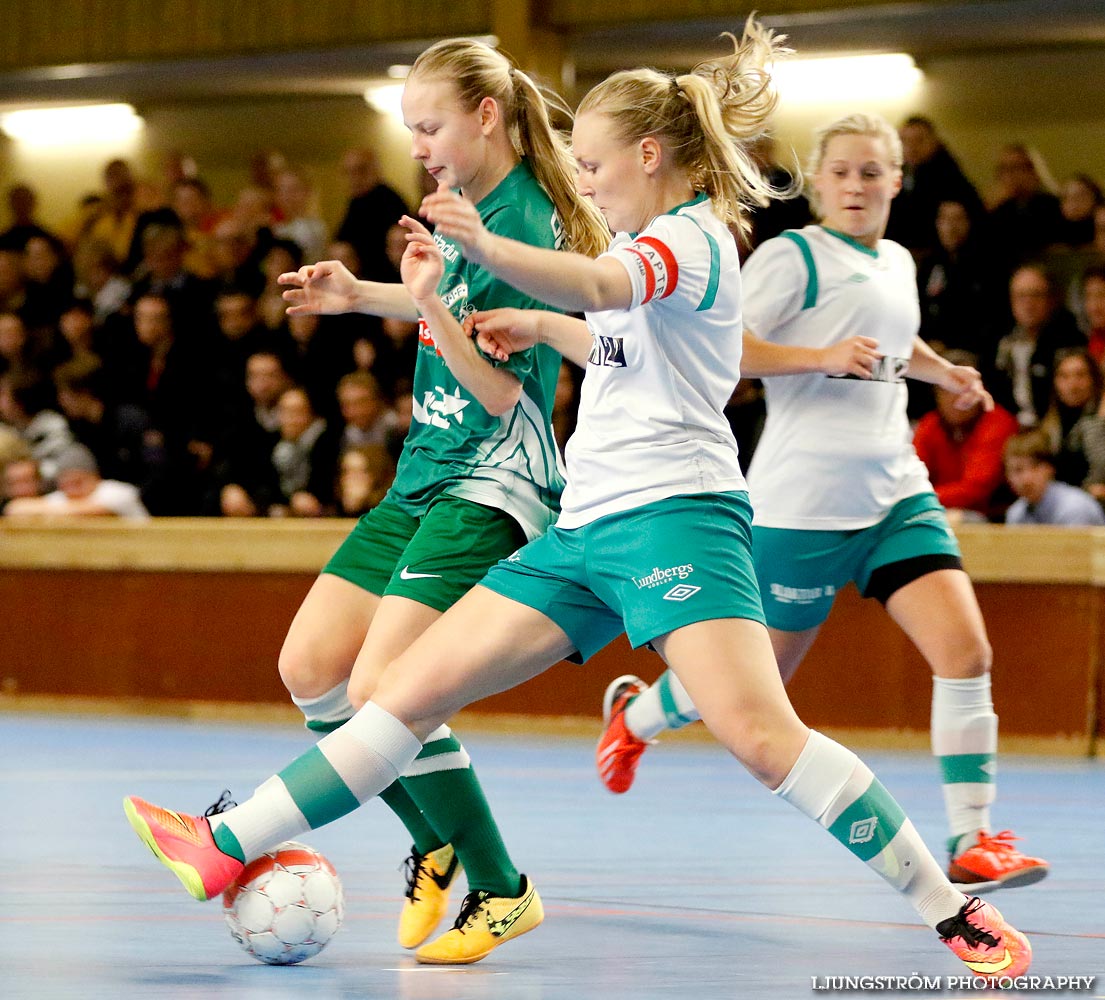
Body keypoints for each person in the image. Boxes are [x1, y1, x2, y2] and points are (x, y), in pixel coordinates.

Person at [124, 28, 1030, 980]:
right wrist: (544, 324)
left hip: (676, 518)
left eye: (594, 165)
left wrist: (488, 248)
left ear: (649, 156)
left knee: (763, 739)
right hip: (583, 529)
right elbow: (620, 338)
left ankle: (948, 907)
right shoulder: (651, 243)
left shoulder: (692, 239)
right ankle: (223, 844)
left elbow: (605, 284)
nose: (585, 184)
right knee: (399, 693)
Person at [128, 35, 609, 964]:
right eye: (409, 131)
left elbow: (505, 390)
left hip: (489, 476)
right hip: (421, 471)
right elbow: (450, 302)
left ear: (484, 115)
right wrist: (364, 296)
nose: (419, 146)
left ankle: (499, 886)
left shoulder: (526, 217)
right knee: (312, 670)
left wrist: (427, 303)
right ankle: (433, 836)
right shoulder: (466, 204)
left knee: (388, 693)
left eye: (429, 127)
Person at [590, 112, 1048, 903]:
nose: (855, 185)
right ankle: (635, 718)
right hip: (800, 506)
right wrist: (819, 358)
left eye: (871, 172)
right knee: (751, 688)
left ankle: (972, 840)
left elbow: (888, 341)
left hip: (894, 492)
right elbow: (723, 345)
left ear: (896, 181)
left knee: (966, 652)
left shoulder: (898, 260)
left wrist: (945, 376)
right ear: (820, 180)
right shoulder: (791, 255)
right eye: (839, 171)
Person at [914, 350, 1019, 522]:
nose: (954, 397)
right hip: (935, 507)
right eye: (946, 390)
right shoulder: (930, 424)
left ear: (979, 390)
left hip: (990, 517)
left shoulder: (997, 422)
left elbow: (975, 490)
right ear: (936, 395)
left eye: (961, 388)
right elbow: (912, 473)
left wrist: (919, 500)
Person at [4, 442, 149, 519]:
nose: (72, 489)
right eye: (66, 484)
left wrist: (48, 512)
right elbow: (15, 509)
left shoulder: (118, 492)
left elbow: (95, 511)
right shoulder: (61, 498)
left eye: (78, 482)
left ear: (95, 477)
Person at [1003, 429, 1105, 526]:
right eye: (1017, 470)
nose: (1026, 479)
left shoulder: (1075, 508)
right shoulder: (1015, 514)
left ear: (1050, 468)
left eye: (1035, 467)